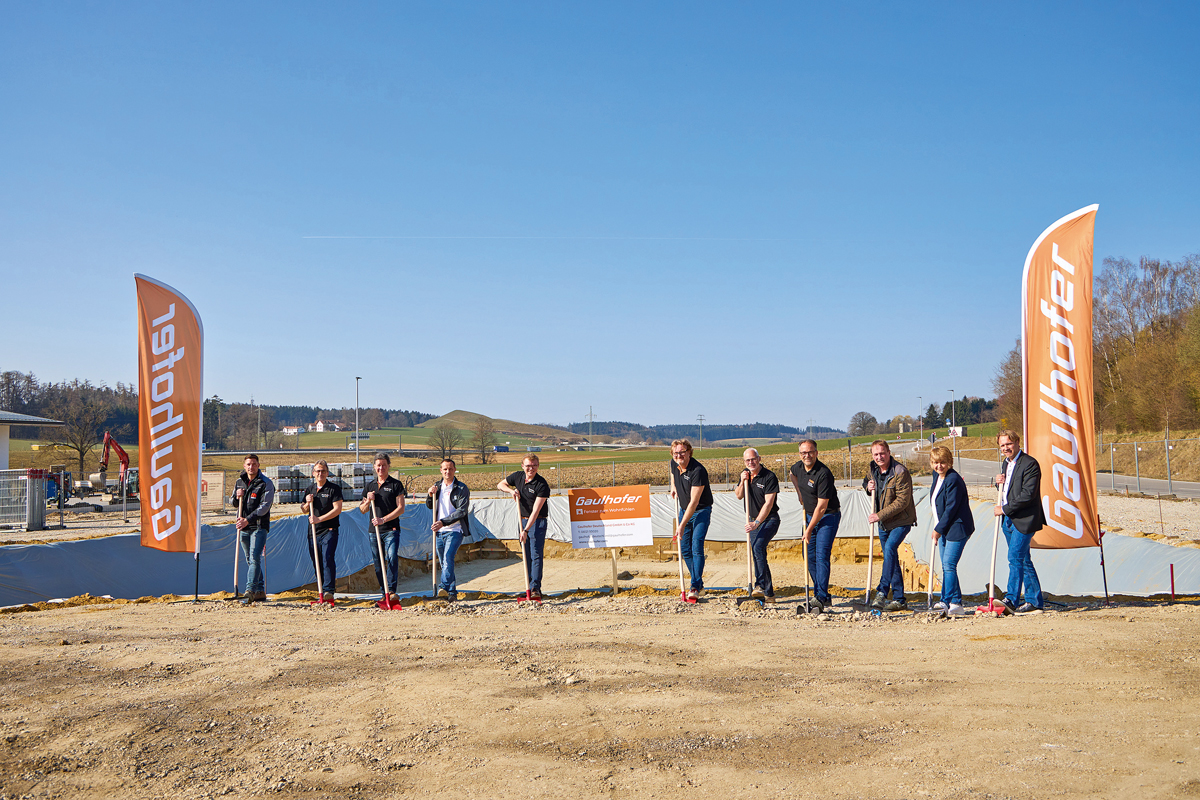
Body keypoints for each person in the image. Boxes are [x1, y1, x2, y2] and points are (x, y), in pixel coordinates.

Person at [994, 429, 1047, 613]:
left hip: (1024, 519)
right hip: (1008, 520)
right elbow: (1010, 489)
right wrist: (998, 482)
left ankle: (1011, 600)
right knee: (1024, 559)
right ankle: (1034, 602)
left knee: (1014, 557)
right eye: (1002, 445)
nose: (1006, 448)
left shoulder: (1030, 464)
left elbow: (1027, 495)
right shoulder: (1006, 463)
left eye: (1008, 444)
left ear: (1017, 442)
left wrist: (1004, 509)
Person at [862, 440, 918, 612]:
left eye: (882, 453)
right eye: (876, 454)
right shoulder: (873, 470)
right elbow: (866, 482)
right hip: (884, 523)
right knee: (890, 558)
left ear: (888, 452)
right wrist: (867, 486)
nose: (879, 457)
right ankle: (900, 599)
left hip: (901, 521)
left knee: (890, 549)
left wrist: (879, 515)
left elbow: (902, 501)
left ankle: (882, 591)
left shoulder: (900, 472)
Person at [790, 440, 841, 614]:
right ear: (800, 454)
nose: (807, 456)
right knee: (808, 555)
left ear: (816, 453)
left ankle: (819, 596)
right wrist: (799, 493)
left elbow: (822, 507)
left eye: (810, 452)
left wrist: (809, 529)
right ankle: (822, 593)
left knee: (821, 555)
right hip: (810, 515)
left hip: (828, 516)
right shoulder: (798, 468)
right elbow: (791, 474)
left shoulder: (823, 473)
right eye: (803, 453)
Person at [928, 446, 974, 616]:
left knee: (949, 565)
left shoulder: (953, 479)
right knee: (948, 567)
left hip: (957, 527)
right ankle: (956, 602)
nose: (938, 466)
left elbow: (951, 508)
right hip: (944, 527)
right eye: (935, 462)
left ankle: (945, 601)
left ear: (949, 462)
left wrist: (938, 529)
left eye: (942, 462)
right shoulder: (938, 476)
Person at [497, 455, 551, 600]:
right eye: (528, 465)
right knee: (526, 555)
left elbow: (536, 510)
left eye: (534, 465)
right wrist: (511, 491)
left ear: (538, 466)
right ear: (522, 466)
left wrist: (526, 530)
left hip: (537, 523)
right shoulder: (518, 477)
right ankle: (528, 586)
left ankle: (535, 588)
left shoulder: (542, 485)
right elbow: (500, 485)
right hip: (522, 520)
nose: (531, 468)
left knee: (535, 555)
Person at [359, 452, 407, 605]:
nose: (381, 468)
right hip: (374, 532)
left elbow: (401, 508)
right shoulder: (370, 486)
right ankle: (384, 592)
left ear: (388, 466)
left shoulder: (395, 485)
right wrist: (368, 501)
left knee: (392, 557)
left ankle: (391, 590)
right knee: (378, 562)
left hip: (391, 529)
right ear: (374, 467)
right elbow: (362, 509)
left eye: (384, 465)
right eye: (378, 465)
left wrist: (383, 519)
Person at [669, 439, 714, 601]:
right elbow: (673, 472)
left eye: (682, 452)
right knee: (684, 549)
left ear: (689, 452)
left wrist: (680, 525)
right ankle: (699, 583)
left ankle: (694, 586)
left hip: (700, 510)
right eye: (676, 453)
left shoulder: (698, 471)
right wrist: (673, 486)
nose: (679, 456)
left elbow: (694, 503)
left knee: (696, 546)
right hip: (683, 509)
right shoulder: (674, 463)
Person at [735, 448, 780, 602]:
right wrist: (742, 481)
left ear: (759, 459)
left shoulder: (769, 477)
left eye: (753, 459)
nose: (751, 463)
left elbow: (768, 504)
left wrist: (757, 522)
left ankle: (760, 585)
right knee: (757, 553)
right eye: (747, 460)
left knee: (758, 547)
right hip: (752, 519)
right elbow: (739, 495)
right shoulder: (745, 474)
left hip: (769, 520)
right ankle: (769, 594)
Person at [231, 454, 275, 605]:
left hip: (258, 526)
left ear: (258, 465)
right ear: (244, 466)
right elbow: (234, 503)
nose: (251, 467)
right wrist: (237, 497)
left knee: (255, 557)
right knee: (250, 560)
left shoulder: (265, 483)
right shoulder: (239, 482)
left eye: (254, 464)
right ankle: (260, 591)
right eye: (248, 464)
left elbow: (264, 507)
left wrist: (247, 520)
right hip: (242, 527)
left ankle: (249, 591)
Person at [426, 458, 470, 602]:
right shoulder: (437, 487)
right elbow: (430, 506)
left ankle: (443, 587)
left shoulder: (461, 488)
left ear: (454, 469)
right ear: (441, 470)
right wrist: (430, 495)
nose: (447, 471)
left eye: (450, 469)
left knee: (448, 558)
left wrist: (443, 522)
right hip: (439, 532)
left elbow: (461, 511)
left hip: (455, 530)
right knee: (445, 563)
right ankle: (451, 593)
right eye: (445, 469)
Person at [302, 460, 343, 605]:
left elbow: (337, 509)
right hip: (313, 532)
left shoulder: (334, 489)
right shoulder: (309, 490)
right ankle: (320, 590)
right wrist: (307, 503)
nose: (320, 473)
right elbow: (304, 509)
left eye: (323, 471)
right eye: (318, 471)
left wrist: (319, 519)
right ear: (313, 473)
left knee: (327, 558)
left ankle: (328, 591)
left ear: (327, 473)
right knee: (317, 561)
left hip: (329, 530)